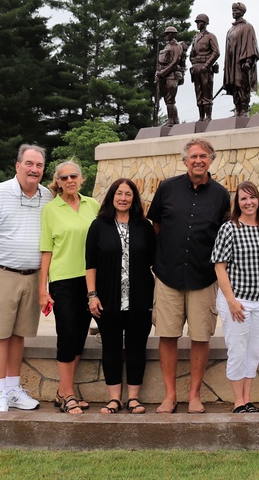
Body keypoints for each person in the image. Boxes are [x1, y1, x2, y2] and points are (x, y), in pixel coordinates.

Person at [147, 138, 231, 413]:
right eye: (193, 156)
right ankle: (169, 396)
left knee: (200, 337)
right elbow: (156, 225)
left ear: (211, 160)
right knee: (168, 335)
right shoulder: (167, 188)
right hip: (168, 275)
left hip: (203, 276)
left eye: (204, 156)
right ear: (185, 161)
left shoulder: (220, 194)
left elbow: (223, 235)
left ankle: (194, 395)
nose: (198, 160)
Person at [0, 144, 50, 413]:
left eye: (39, 165)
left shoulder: (47, 196)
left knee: (18, 335)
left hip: (32, 276)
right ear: (18, 166)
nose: (34, 169)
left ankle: (14, 389)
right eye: (29, 163)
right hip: (1, 275)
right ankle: (0, 392)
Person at [85, 178, 156, 415]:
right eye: (119, 193)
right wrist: (92, 295)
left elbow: (154, 261)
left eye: (128, 194)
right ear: (111, 196)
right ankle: (114, 399)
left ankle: (134, 399)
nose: (123, 198)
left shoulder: (144, 226)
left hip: (140, 298)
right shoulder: (98, 226)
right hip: (107, 299)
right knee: (111, 348)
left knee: (137, 347)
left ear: (134, 198)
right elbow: (90, 264)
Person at [211, 181, 259, 413]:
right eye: (243, 199)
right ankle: (238, 402)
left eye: (252, 198)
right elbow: (220, 267)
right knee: (237, 349)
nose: (248, 202)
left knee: (253, 351)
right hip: (237, 301)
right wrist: (231, 300)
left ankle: (248, 399)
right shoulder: (230, 228)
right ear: (237, 203)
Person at [39, 160, 100, 414]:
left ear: (81, 178)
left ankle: (63, 391)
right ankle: (68, 395)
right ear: (58, 182)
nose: (69, 181)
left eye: (73, 176)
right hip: (63, 280)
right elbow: (46, 250)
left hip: (89, 280)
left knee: (79, 336)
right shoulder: (50, 210)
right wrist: (43, 289)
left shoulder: (93, 205)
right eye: (64, 178)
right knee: (66, 335)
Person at [222, 2, 259, 117]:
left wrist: (248, 61)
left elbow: (251, 44)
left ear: (242, 12)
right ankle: (237, 109)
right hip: (232, 63)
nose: (233, 12)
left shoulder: (247, 26)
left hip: (242, 62)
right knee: (234, 85)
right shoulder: (231, 29)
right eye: (232, 10)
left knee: (242, 84)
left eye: (236, 10)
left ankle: (244, 109)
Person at [189, 13, 220, 122]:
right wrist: (193, 61)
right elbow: (191, 54)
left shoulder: (210, 36)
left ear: (205, 24)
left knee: (207, 93)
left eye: (200, 22)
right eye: (197, 22)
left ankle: (208, 116)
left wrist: (207, 65)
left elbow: (216, 52)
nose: (198, 24)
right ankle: (201, 117)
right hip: (196, 68)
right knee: (198, 92)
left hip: (205, 68)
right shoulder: (195, 37)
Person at [156, 26, 185, 127]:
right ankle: (175, 120)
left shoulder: (177, 46)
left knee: (170, 99)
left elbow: (175, 62)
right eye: (165, 34)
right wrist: (159, 72)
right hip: (164, 75)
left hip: (172, 75)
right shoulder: (166, 47)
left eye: (168, 34)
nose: (166, 35)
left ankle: (170, 121)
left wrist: (163, 72)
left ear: (173, 34)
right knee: (167, 99)